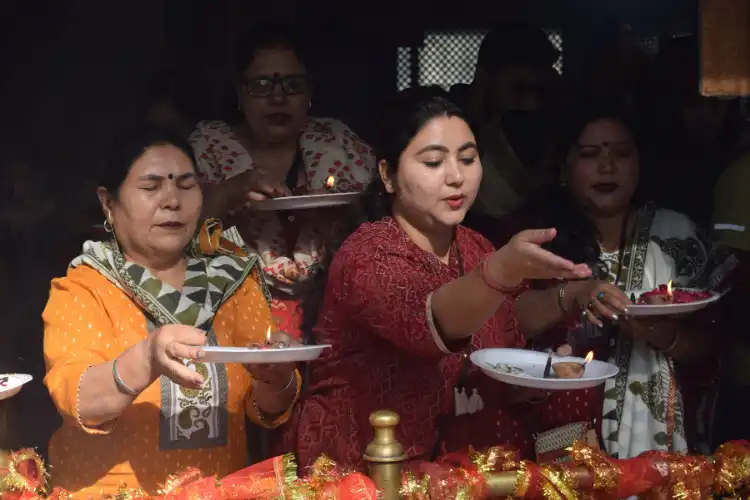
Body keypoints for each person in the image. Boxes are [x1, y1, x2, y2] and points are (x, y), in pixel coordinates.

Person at [292, 88, 592, 470]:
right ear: (388, 175)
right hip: (363, 475)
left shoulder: (476, 246)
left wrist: (539, 368)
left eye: (468, 159)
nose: (456, 177)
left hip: (457, 473)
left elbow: (504, 335)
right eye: (434, 162)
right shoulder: (366, 255)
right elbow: (432, 321)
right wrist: (501, 272)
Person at [42, 126, 300, 497]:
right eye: (151, 187)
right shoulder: (85, 287)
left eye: (185, 184)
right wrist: (147, 358)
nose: (172, 201)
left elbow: (264, 410)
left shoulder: (231, 278)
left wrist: (276, 377)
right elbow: (78, 399)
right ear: (107, 203)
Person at [513, 103, 716, 459]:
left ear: (640, 163)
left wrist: (664, 337)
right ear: (564, 168)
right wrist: (575, 294)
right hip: (562, 440)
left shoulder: (676, 237)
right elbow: (510, 319)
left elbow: (712, 345)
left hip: (664, 446)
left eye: (621, 154)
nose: (607, 167)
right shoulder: (541, 240)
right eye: (590, 155)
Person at [190, 22, 375, 338]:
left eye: (292, 85)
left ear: (309, 93)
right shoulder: (208, 149)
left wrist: (342, 214)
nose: (278, 98)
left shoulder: (338, 142)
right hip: (235, 320)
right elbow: (179, 246)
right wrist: (224, 197)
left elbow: (378, 230)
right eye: (261, 85)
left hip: (334, 317)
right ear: (239, 93)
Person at [457, 21, 562, 223]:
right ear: (484, 80)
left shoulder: (551, 133)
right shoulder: (443, 126)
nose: (533, 104)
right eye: (519, 90)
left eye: (542, 92)